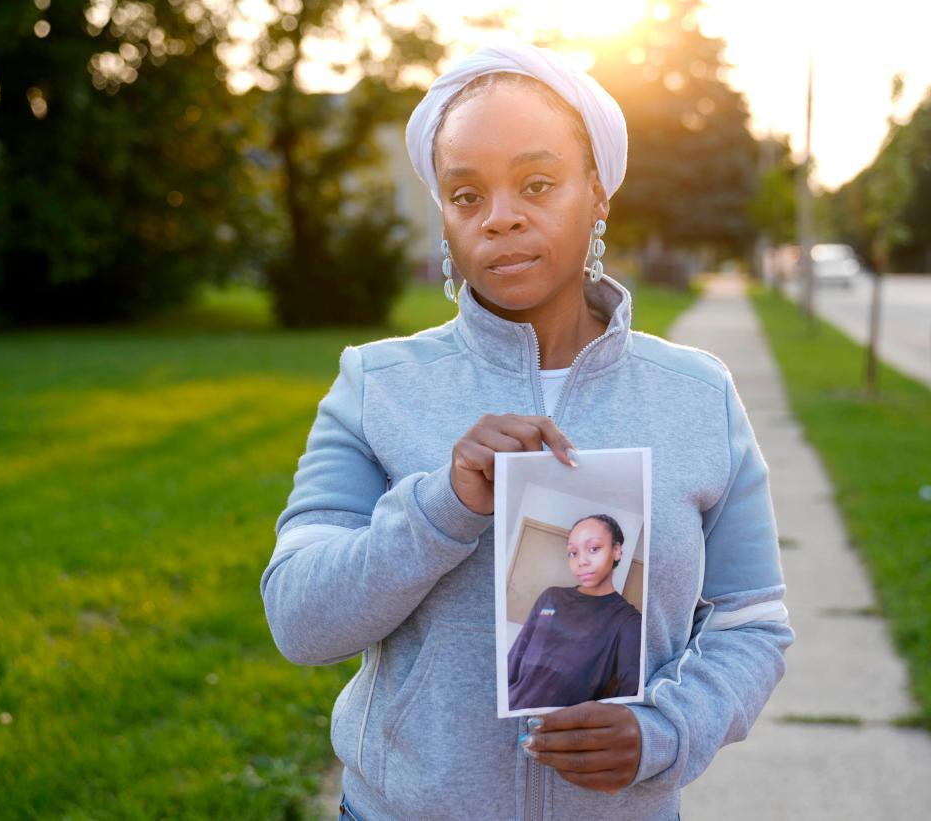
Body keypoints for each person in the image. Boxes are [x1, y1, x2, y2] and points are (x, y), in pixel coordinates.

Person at [261, 42, 793, 821]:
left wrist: (665, 732)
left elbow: (751, 621)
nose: (500, 216)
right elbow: (301, 621)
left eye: (536, 184)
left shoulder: (697, 394)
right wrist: (442, 507)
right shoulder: (376, 385)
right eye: (466, 195)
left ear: (598, 192)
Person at [508, 514, 643, 711]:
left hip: (557, 732)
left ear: (616, 551)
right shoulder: (551, 597)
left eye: (594, 549)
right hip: (512, 706)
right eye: (573, 552)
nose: (581, 561)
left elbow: (628, 698)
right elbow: (516, 654)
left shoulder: (628, 622)